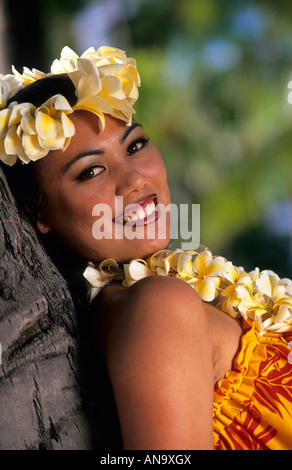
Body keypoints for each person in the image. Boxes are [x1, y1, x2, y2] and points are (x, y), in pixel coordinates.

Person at [1, 45, 292, 450]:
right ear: (39, 216)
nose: (135, 180)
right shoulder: (158, 308)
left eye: (135, 146)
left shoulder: (170, 292)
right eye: (92, 171)